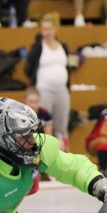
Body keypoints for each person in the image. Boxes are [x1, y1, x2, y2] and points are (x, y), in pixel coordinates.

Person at [24, 12, 71, 151]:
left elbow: (66, 68)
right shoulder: (38, 47)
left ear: (55, 29)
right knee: (44, 124)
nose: (47, 32)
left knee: (62, 125)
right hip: (44, 89)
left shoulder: (63, 46)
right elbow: (28, 68)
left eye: (49, 29)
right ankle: (44, 154)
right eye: (44, 29)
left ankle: (64, 154)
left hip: (61, 89)